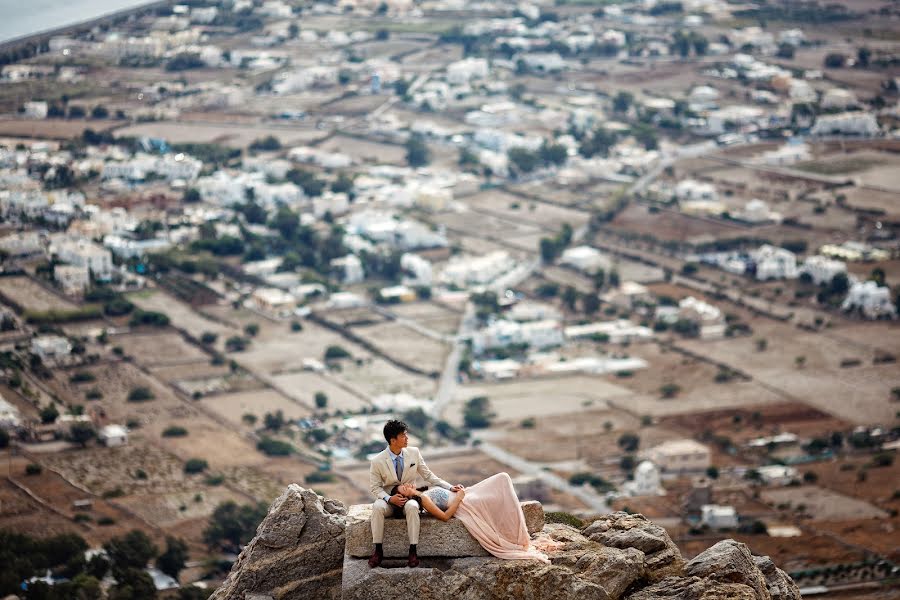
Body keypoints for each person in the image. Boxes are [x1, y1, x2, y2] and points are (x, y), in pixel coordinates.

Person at [368, 420, 463, 568]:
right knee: (377, 507)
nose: (407, 438)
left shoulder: (414, 453)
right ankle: (378, 550)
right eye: (403, 436)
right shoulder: (377, 461)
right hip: (388, 500)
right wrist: (389, 498)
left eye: (406, 435)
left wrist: (451, 488)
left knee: (413, 506)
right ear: (393, 440)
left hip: (408, 499)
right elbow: (375, 488)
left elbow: (429, 476)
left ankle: (413, 550)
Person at [397, 472, 550, 563]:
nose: (407, 484)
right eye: (404, 488)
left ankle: (517, 532)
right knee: (501, 486)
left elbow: (446, 494)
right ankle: (517, 535)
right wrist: (459, 498)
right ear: (404, 497)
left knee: (502, 478)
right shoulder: (423, 499)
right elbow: (445, 516)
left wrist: (456, 490)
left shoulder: (424, 490)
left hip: (466, 495)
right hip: (465, 503)